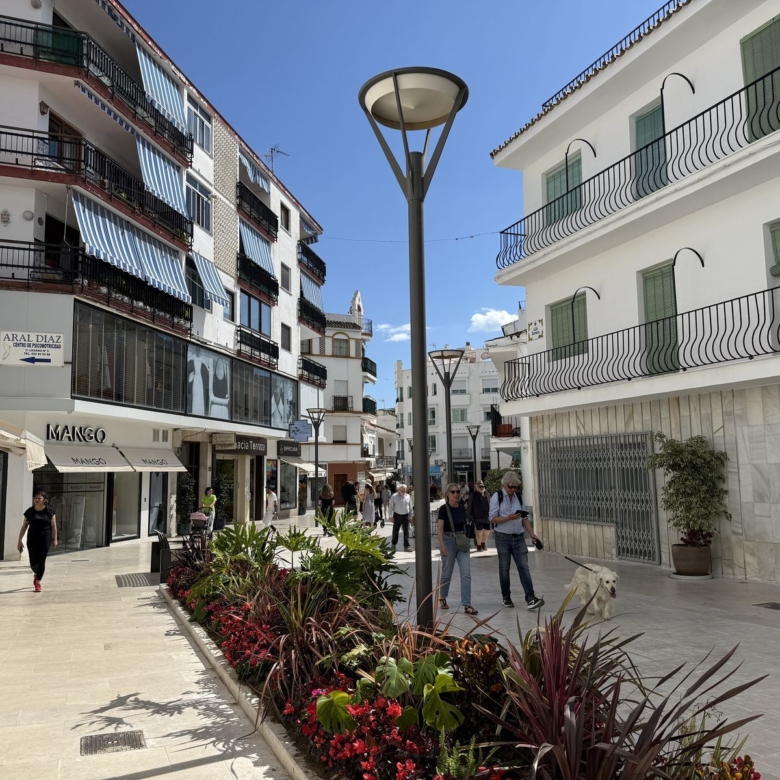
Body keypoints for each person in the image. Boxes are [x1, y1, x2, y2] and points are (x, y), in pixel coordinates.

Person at [489, 471, 544, 610]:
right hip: (503, 538)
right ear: (504, 484)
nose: (513, 490)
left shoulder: (519, 497)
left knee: (524, 567)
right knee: (504, 568)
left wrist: (531, 534)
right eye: (510, 487)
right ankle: (506, 597)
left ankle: (530, 598)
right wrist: (509, 518)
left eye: (515, 487)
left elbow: (524, 518)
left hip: (519, 538)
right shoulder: (497, 497)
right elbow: (492, 518)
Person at [437, 483, 478, 615]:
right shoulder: (443, 509)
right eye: (453, 492)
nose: (456, 494)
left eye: (458, 492)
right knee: (447, 572)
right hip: (448, 540)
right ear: (447, 494)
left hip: (461, 541)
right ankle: (442, 596)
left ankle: (467, 604)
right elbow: (440, 529)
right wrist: (442, 545)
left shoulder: (462, 508)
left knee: (466, 574)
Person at [17, 491, 58, 592]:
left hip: (45, 538)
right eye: (35, 498)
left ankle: (38, 582)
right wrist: (19, 541)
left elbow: (54, 526)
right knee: (33, 562)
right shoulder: (30, 512)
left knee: (41, 560)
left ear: (44, 500)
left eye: (39, 498)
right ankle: (37, 573)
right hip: (32, 538)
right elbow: (24, 527)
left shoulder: (49, 511)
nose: (36, 500)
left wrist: (55, 539)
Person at [468, 480, 491, 552]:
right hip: (477, 516)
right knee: (479, 531)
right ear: (476, 486)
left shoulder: (487, 494)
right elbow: (469, 506)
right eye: (479, 486)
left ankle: (483, 543)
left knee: (487, 531)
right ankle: (479, 545)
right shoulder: (473, 495)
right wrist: (469, 517)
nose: (481, 487)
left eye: (482, 486)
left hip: (487, 516)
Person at [388, 484, 413, 552]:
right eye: (401, 490)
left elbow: (410, 507)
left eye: (404, 490)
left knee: (406, 531)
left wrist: (410, 517)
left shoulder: (408, 496)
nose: (403, 492)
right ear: (398, 490)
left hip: (405, 516)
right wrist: (391, 516)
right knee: (395, 531)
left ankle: (406, 546)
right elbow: (390, 507)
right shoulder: (394, 496)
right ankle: (393, 545)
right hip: (397, 515)